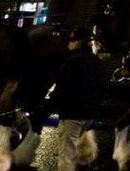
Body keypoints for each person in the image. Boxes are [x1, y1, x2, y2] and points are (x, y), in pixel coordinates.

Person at [45, 27, 105, 170]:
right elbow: (101, 87)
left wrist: (46, 107)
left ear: (79, 42)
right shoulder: (95, 61)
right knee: (72, 149)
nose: (68, 43)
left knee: (67, 154)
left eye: (71, 40)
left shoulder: (71, 61)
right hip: (89, 113)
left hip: (73, 113)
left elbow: (62, 88)